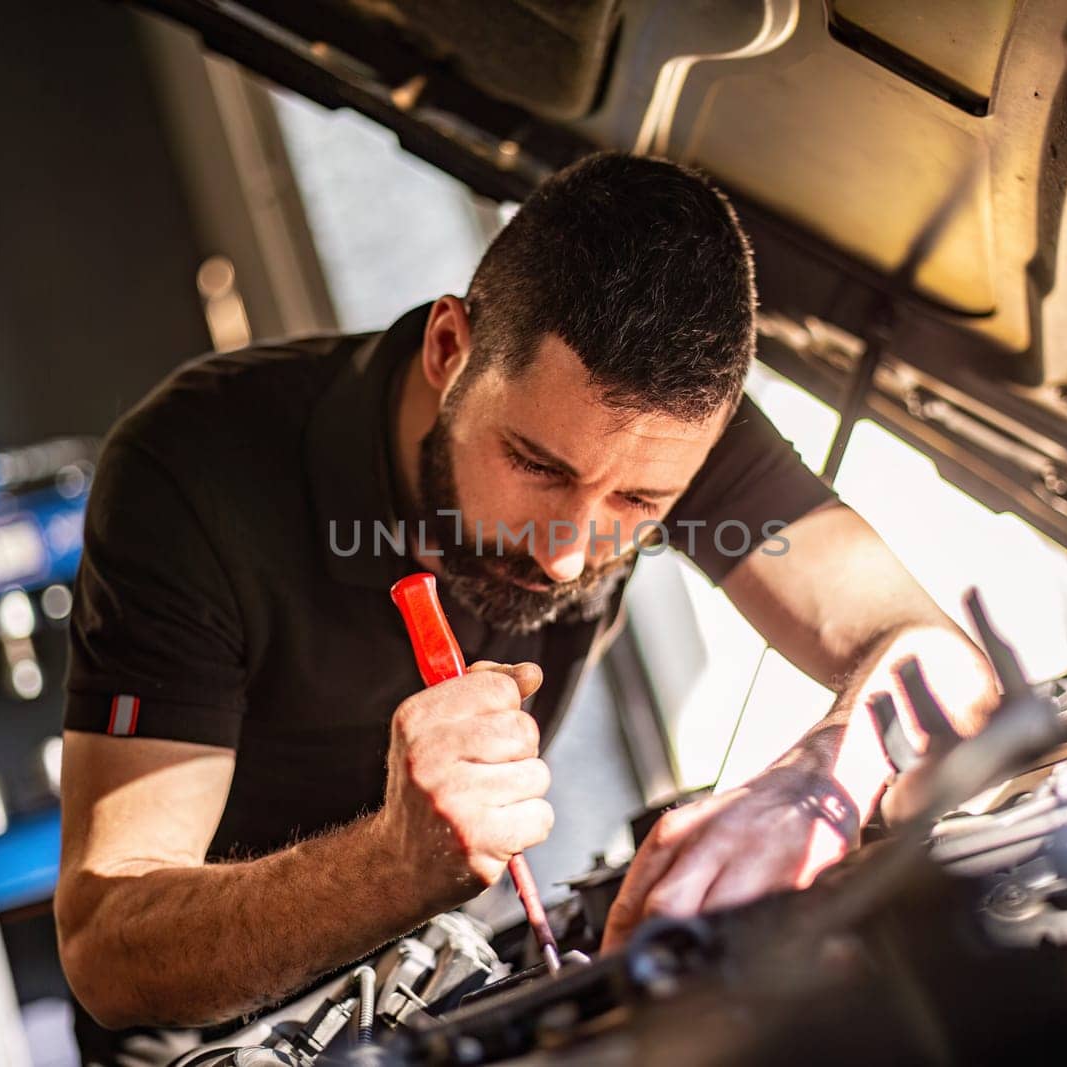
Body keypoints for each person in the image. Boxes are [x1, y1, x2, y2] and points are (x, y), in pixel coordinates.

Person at [54, 152, 998, 1063]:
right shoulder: (195, 473)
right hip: (224, 1044)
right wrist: (390, 863)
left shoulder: (665, 434)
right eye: (539, 466)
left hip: (449, 976)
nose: (568, 553)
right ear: (449, 348)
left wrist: (821, 787)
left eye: (639, 507)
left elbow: (937, 657)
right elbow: (108, 945)